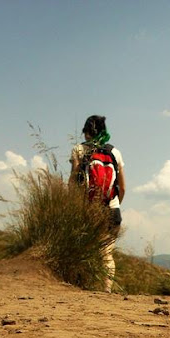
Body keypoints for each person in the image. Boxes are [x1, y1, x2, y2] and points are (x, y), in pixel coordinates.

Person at [69, 115, 126, 293]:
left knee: (81, 249)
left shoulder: (79, 149)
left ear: (86, 132)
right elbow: (122, 187)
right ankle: (106, 290)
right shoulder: (114, 152)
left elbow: (72, 182)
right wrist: (112, 205)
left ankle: (78, 286)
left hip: (87, 209)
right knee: (107, 253)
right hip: (111, 208)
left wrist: (74, 206)